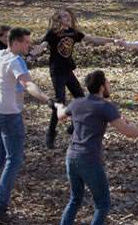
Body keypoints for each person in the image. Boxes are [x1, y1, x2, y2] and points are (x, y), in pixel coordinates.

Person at [54, 70, 138, 225]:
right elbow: (126, 131)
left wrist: (57, 106)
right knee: (103, 203)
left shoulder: (78, 102)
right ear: (102, 86)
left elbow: (61, 116)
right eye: (108, 82)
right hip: (89, 159)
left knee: (75, 199)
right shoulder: (105, 106)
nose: (109, 85)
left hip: (71, 157)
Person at [0, 27, 55, 225]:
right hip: (9, 115)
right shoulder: (16, 61)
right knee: (13, 160)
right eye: (26, 42)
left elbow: (5, 80)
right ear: (16, 42)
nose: (29, 45)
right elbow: (28, 85)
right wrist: (48, 100)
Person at [31, 8, 115, 149]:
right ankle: (51, 133)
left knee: (80, 98)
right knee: (60, 102)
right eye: (63, 16)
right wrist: (33, 53)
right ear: (58, 19)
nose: (67, 17)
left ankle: (73, 127)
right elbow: (43, 46)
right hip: (57, 72)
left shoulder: (73, 32)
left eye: (68, 15)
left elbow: (92, 38)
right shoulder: (52, 33)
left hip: (68, 71)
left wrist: (111, 40)